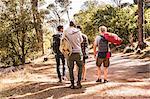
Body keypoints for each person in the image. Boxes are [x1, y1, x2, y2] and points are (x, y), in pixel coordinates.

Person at [64, 21, 83, 89]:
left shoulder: (65, 31)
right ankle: (79, 82)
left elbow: (63, 41)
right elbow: (81, 40)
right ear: (74, 25)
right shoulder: (78, 31)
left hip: (69, 53)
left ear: (69, 25)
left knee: (70, 68)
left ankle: (72, 84)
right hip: (78, 52)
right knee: (80, 67)